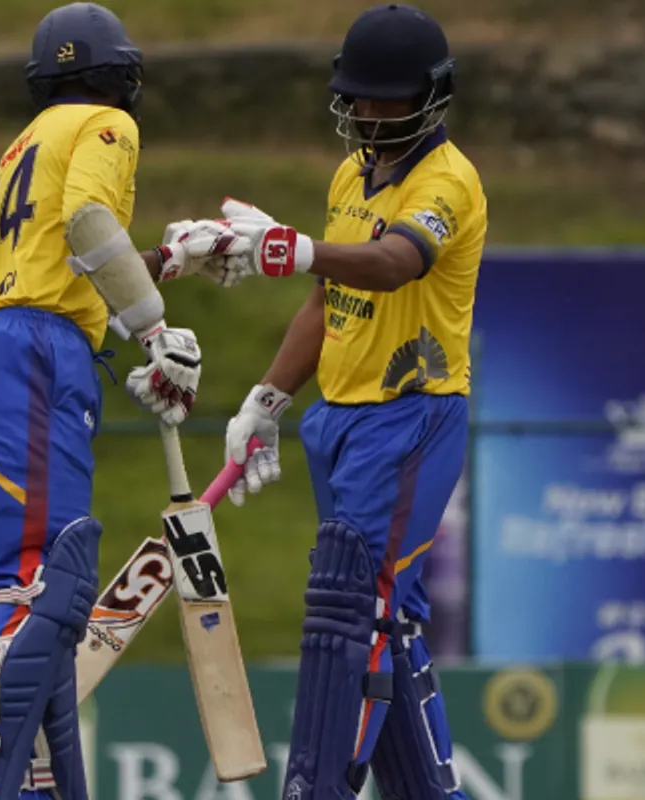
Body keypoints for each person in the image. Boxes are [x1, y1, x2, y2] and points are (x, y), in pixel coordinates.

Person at [177, 5, 488, 798]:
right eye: (358, 98)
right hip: (339, 421)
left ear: (430, 97)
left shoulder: (449, 182)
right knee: (390, 618)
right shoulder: (351, 175)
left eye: (386, 100)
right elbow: (328, 298)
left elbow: (389, 263)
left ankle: (314, 788)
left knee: (353, 604)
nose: (367, 114)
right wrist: (267, 400)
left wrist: (294, 247)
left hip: (412, 417)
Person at [0, 4, 229, 799]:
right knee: (42, 585)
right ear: (122, 77)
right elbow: (90, 221)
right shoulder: (107, 125)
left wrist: (171, 258)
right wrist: (155, 332)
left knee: (44, 598)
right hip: (36, 352)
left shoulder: (23, 145)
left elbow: (73, 257)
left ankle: (42, 785)